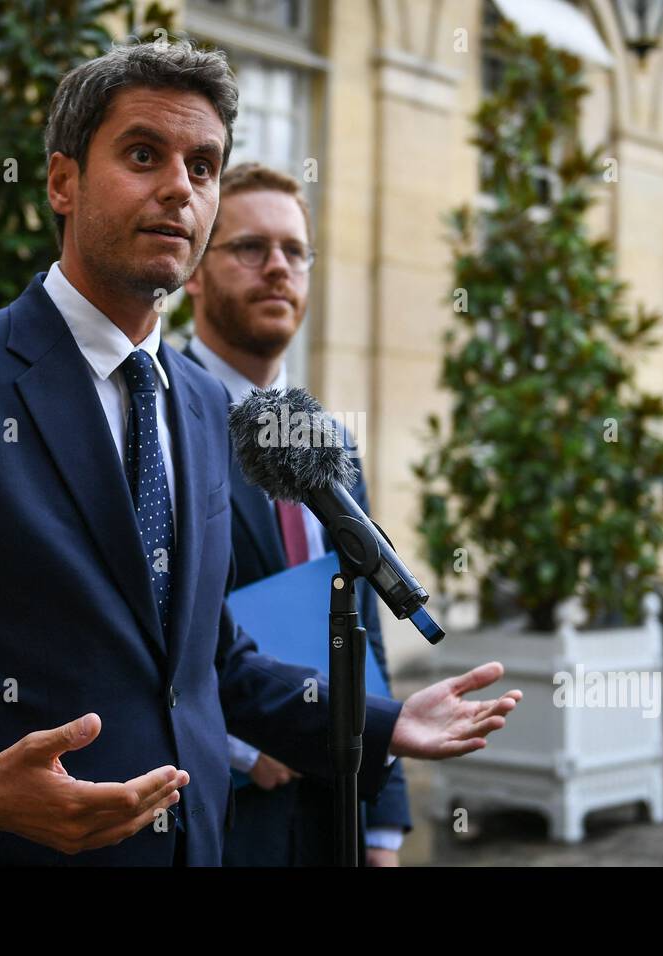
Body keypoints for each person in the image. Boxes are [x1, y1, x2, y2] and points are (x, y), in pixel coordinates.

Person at [0, 40, 521, 867]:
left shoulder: (198, 403)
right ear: (62, 181)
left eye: (203, 166)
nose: (178, 188)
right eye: (141, 154)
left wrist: (384, 724)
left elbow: (211, 664)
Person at [183, 162, 410, 866]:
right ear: (192, 271)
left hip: (331, 806)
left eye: (295, 252)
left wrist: (384, 822)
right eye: (250, 248)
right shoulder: (156, 418)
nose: (277, 268)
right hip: (214, 808)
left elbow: (363, 625)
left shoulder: (329, 440)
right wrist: (248, 743)